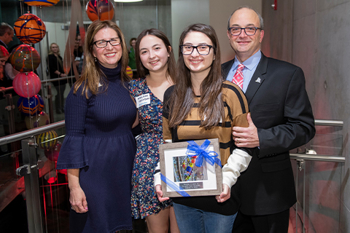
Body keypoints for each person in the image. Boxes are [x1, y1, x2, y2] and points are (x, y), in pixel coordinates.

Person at [221, 6, 316, 233]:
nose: (242, 34)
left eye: (250, 28)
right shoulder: (214, 74)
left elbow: (304, 127)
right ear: (228, 35)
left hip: (267, 193)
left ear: (261, 34)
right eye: (236, 29)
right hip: (224, 192)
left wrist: (261, 137)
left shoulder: (287, 74)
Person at [155, 23, 254, 233]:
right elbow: (168, 144)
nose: (195, 53)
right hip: (184, 198)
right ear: (181, 51)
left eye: (203, 47)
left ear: (214, 52)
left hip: (221, 197)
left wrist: (226, 180)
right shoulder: (172, 96)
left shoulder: (231, 94)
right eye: (188, 47)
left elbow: (245, 147)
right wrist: (160, 178)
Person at [56, 20, 138, 233]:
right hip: (96, 176)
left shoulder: (128, 84)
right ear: (92, 51)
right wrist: (74, 187)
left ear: (122, 44)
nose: (109, 47)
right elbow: (73, 140)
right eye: (101, 43)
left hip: (126, 170)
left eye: (113, 40)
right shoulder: (81, 89)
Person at [128, 29, 179, 233]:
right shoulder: (134, 88)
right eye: (144, 51)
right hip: (148, 163)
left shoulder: (187, 83)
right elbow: (126, 123)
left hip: (182, 159)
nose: (152, 56)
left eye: (156, 48)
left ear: (168, 50)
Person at [47, 43, 68, 114]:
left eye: (56, 47)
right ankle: (58, 108)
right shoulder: (50, 57)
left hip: (62, 78)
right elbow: (52, 68)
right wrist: (60, 74)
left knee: (61, 93)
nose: (54, 48)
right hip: (56, 77)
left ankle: (62, 107)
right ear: (51, 49)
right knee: (59, 93)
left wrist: (64, 74)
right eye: (53, 47)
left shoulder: (59, 57)